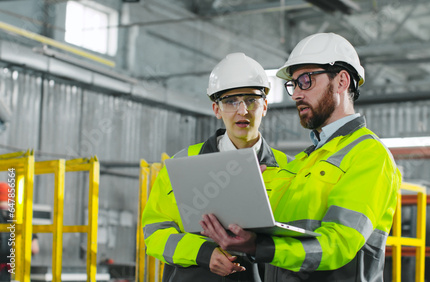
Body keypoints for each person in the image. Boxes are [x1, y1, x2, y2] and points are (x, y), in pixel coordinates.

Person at [200, 33, 402, 281]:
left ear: (341, 81)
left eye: (305, 81)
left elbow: (338, 243)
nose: (296, 94)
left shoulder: (369, 155)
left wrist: (259, 247)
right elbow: (280, 230)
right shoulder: (300, 164)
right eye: (293, 84)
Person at [141, 52, 291, 281]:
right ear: (216, 109)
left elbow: (295, 241)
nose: (242, 111)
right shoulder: (183, 163)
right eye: (231, 101)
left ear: (265, 106)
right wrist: (203, 253)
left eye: (251, 100)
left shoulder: (289, 169)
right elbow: (155, 235)